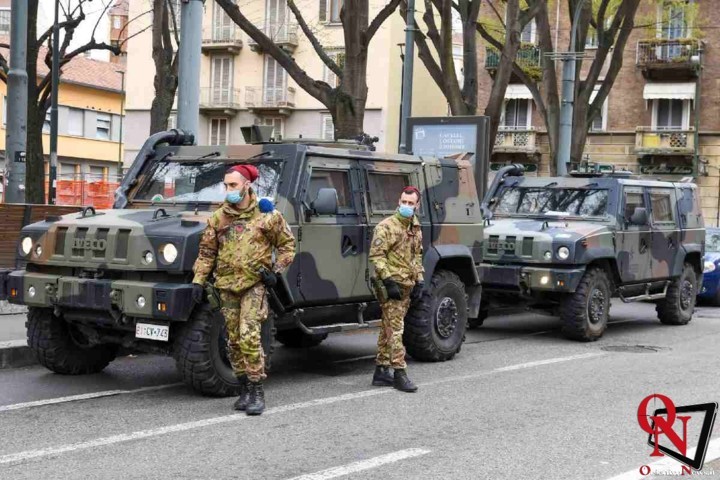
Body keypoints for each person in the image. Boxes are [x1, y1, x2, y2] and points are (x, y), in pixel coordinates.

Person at [191, 164, 296, 415]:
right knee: (233, 341)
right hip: (226, 286)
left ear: (246, 185)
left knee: (249, 336)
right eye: (226, 185)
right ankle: (244, 388)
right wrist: (198, 282)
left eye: (233, 185)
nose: (228, 190)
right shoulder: (219, 218)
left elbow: (287, 246)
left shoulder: (267, 216)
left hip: (253, 286)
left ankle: (257, 390)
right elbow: (207, 253)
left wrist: (275, 272)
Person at [369, 186, 425, 392]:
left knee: (387, 327)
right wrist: (388, 280)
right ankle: (400, 372)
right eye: (404, 202)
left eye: (411, 203)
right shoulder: (386, 226)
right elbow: (377, 256)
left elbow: (417, 255)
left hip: (407, 286)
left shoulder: (415, 227)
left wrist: (419, 280)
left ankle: (381, 370)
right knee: (396, 330)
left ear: (417, 205)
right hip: (390, 286)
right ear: (398, 201)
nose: (407, 206)